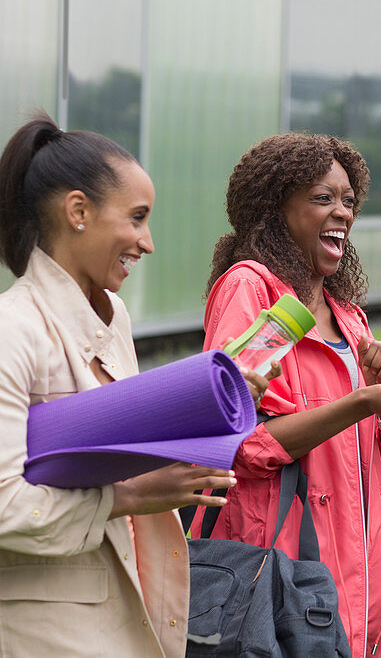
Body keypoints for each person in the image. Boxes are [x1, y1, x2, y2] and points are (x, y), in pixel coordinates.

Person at [0, 112, 238, 656]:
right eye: (137, 218)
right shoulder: (12, 329)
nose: (147, 242)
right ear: (78, 211)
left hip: (127, 615)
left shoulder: (114, 319)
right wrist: (126, 496)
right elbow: (5, 504)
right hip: (45, 633)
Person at [198, 133, 381, 658]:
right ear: (275, 206)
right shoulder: (252, 289)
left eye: (349, 200)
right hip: (281, 577)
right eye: (322, 198)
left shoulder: (349, 316)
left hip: (378, 579)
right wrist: (363, 403)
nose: (342, 213)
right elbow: (238, 440)